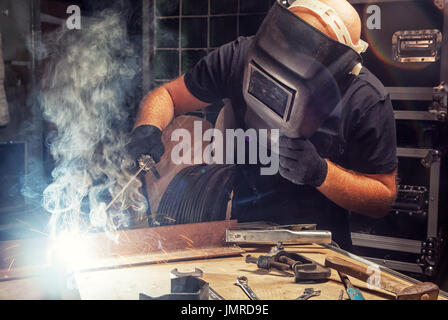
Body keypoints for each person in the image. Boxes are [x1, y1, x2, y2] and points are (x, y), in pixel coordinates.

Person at [127, 0, 398, 250]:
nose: (293, 54)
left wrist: (321, 174)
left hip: (318, 248)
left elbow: (382, 197)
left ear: (342, 65)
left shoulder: (365, 99)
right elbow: (169, 96)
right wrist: (148, 127)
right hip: (243, 235)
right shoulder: (240, 56)